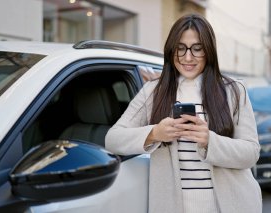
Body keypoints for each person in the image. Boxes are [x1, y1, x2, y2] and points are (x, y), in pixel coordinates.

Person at [105, 13, 262, 213]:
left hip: (228, 206)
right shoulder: (154, 91)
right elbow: (113, 139)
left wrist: (210, 141)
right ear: (171, 51)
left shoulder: (233, 90)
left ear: (209, 51)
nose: (188, 57)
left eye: (197, 49)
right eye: (180, 48)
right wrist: (154, 134)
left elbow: (251, 153)